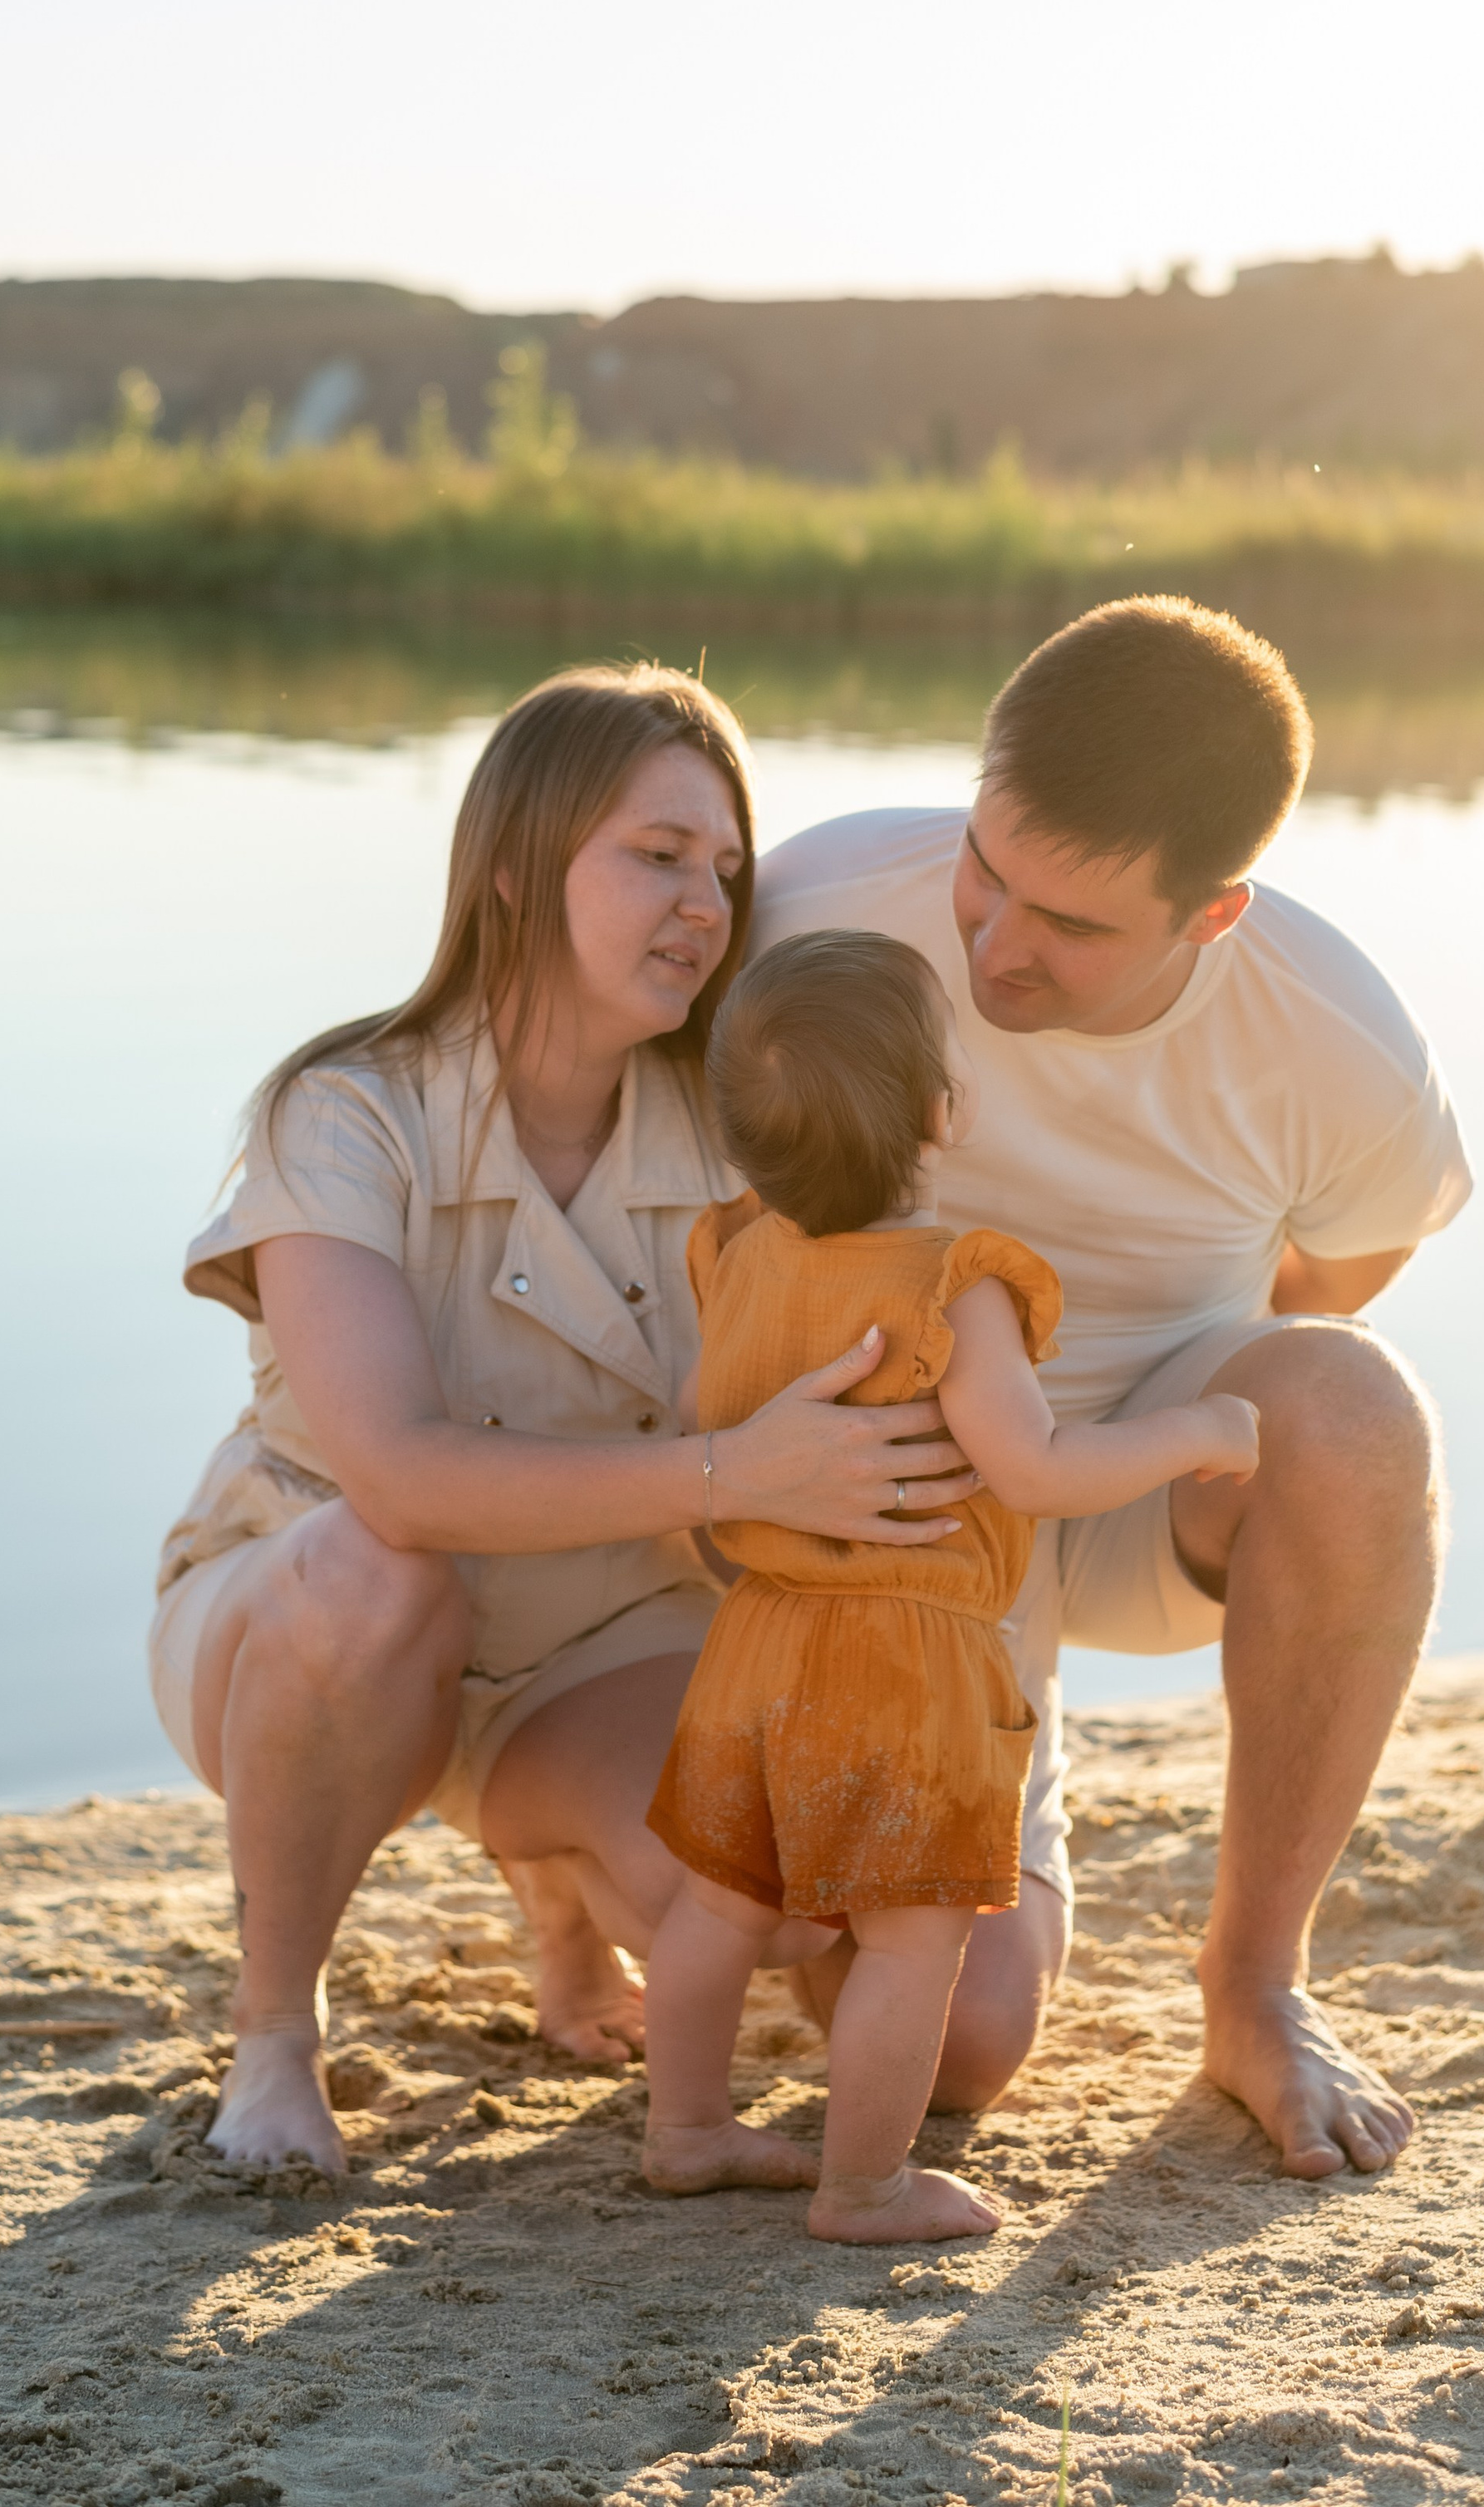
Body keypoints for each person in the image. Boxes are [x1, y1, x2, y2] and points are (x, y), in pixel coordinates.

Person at [150, 663, 968, 2172]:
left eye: (723, 869)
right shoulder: (343, 1111)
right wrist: (733, 1470)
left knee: (778, 1905)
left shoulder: (734, 1138)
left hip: (590, 1641)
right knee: (381, 1572)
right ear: (518, 867)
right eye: (658, 856)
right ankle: (275, 2035)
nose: (707, 905)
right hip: (318, 1616)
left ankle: (557, 1885)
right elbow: (396, 1481)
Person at [754, 596, 1473, 2181]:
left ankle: (1253, 1984)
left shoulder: (1333, 1037)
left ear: (1210, 917)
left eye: (1071, 927)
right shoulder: (812, 900)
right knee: (961, 2054)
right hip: (858, 1521)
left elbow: (1334, 1289)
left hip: (1129, 1491)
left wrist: (1135, 1442)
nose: (997, 949)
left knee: (1355, 1414)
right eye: (986, 874)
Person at [639, 931, 1260, 2241]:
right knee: (915, 1940)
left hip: (759, 1639)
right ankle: (862, 2184)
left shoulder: (736, 1256)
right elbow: (1034, 1469)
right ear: (943, 1111)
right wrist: (1199, 1434)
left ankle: (686, 2129)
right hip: (907, 1657)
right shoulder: (953, 1283)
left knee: (717, 1902)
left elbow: (706, 1418)